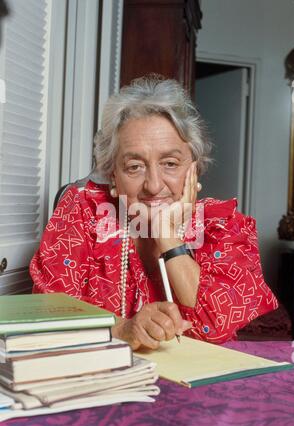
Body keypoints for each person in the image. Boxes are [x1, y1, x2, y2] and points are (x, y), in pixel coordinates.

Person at [30, 75, 278, 350]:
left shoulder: (223, 226)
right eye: (134, 166)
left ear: (193, 167)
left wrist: (167, 236)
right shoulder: (81, 210)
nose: (154, 185)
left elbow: (216, 327)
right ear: (113, 175)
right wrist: (124, 328)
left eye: (170, 163)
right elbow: (50, 311)